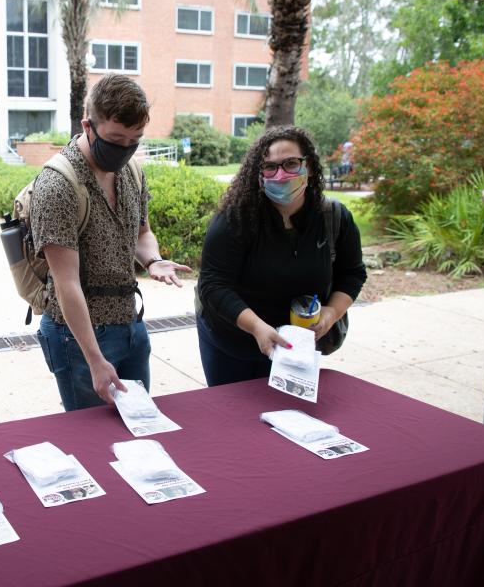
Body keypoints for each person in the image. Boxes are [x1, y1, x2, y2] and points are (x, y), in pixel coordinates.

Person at [30, 74, 191, 411]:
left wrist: (152, 260)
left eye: (135, 139)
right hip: (79, 337)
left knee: (139, 429)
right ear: (88, 126)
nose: (125, 149)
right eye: (116, 138)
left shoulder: (131, 170)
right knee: (94, 443)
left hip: (130, 324)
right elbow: (66, 282)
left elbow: (141, 233)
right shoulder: (57, 186)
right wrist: (94, 360)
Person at [196, 126, 366, 386]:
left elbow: (352, 274)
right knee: (235, 420)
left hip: (297, 347)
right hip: (235, 342)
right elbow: (213, 285)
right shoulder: (235, 220)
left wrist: (332, 313)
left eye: (290, 163)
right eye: (270, 167)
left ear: (308, 166)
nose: (281, 174)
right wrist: (256, 327)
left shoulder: (334, 217)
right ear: (259, 174)